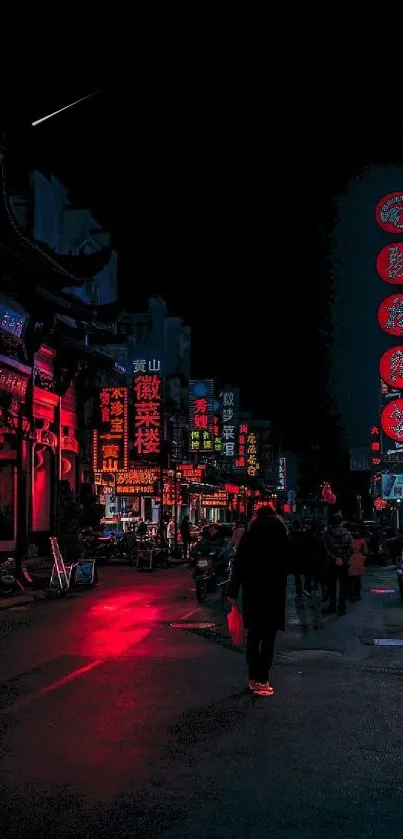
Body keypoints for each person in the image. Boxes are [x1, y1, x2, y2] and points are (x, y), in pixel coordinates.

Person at [226, 505, 289, 697]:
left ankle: (253, 677)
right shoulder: (282, 536)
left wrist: (232, 590)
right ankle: (264, 677)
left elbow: (239, 565)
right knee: (269, 637)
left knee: (253, 636)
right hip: (275, 591)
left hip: (253, 591)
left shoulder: (249, 536)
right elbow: (290, 562)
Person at [325, 514, 354, 616]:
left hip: (332, 564)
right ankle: (342, 607)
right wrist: (343, 558)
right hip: (344, 564)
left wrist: (334, 558)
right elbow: (351, 549)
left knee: (331, 586)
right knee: (344, 586)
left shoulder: (327, 534)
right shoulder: (347, 534)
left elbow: (326, 549)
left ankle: (332, 606)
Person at [348, 526, 367, 601]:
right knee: (358, 580)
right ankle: (357, 595)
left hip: (350, 562)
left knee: (350, 580)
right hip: (359, 562)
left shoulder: (349, 540)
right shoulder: (362, 541)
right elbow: (365, 551)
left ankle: (351, 595)